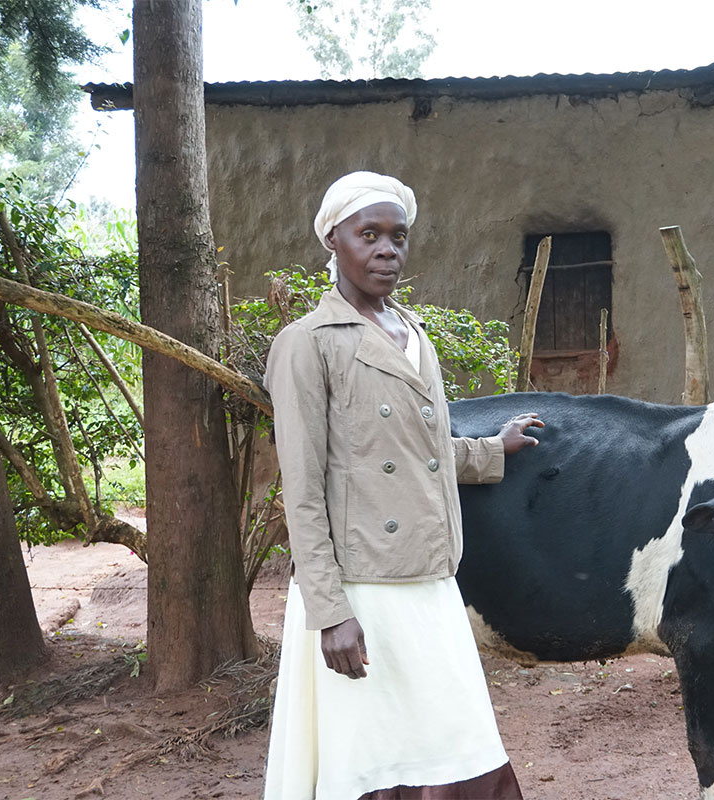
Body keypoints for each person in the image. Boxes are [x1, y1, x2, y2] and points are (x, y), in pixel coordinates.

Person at [263, 171, 542, 800]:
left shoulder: (413, 335)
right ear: (334, 240)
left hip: (431, 578)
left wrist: (492, 450)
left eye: (398, 236)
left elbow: (414, 452)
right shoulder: (306, 344)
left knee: (455, 734)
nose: (387, 249)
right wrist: (330, 612)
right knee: (372, 749)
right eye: (370, 235)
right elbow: (301, 489)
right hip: (362, 587)